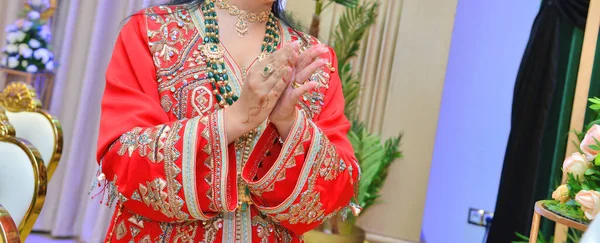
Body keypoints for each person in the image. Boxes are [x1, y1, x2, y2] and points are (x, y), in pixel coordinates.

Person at [94, 0, 360, 242]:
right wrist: (234, 119)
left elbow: (338, 186)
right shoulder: (152, 31)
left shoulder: (315, 59)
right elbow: (123, 159)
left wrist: (289, 124)